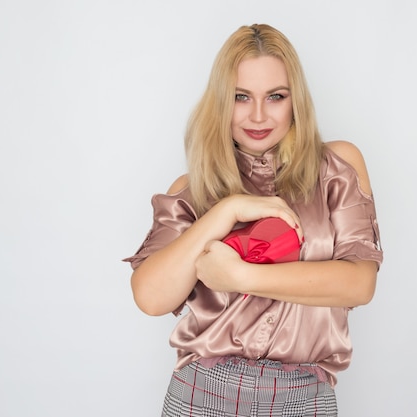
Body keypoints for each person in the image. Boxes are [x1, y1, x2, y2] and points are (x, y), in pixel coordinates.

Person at [124, 23, 383, 417]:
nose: (258, 115)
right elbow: (151, 296)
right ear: (220, 102)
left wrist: (240, 277)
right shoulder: (192, 190)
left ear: (296, 101)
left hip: (304, 398)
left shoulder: (337, 167)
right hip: (201, 394)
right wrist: (226, 211)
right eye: (240, 97)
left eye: (275, 96)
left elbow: (359, 284)